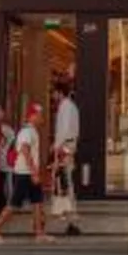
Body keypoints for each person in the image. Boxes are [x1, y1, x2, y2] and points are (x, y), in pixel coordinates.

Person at [0, 102, 49, 243]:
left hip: (29, 172)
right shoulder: (27, 132)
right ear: (32, 116)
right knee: (14, 204)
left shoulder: (32, 131)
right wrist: (34, 172)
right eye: (39, 115)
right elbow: (25, 150)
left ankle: (39, 233)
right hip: (23, 173)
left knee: (37, 202)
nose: (42, 118)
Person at [50, 78, 81, 237]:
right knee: (65, 183)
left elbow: (65, 129)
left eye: (54, 92)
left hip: (65, 147)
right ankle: (68, 218)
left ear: (60, 92)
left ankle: (71, 220)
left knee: (66, 183)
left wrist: (57, 147)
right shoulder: (69, 106)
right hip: (67, 146)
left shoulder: (66, 107)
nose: (53, 95)